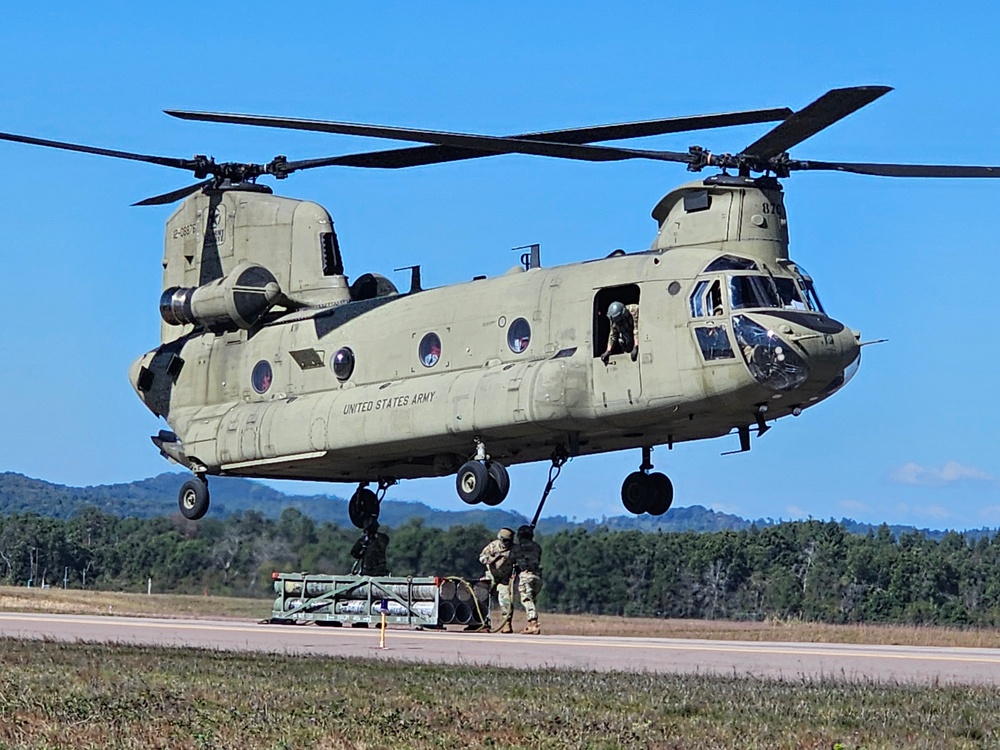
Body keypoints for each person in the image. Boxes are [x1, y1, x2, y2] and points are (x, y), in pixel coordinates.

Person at [479, 527, 516, 633]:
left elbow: (521, 560)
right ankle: (481, 623)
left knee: (506, 601)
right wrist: (492, 559)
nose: (505, 543)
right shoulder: (493, 546)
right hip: (491, 576)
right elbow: (481, 557)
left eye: (507, 541)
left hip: (504, 579)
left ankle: (506, 624)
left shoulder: (514, 549)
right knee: (482, 597)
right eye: (503, 540)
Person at [513, 524, 543, 634]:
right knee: (532, 600)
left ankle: (533, 623)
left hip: (526, 575)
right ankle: (530, 624)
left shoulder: (518, 548)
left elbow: (513, 559)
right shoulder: (537, 547)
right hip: (537, 576)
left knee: (527, 599)